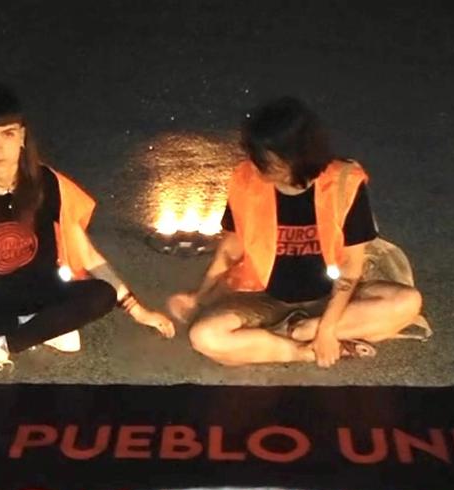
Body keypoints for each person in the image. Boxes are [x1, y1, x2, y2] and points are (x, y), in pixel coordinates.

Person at [0, 83, 174, 374]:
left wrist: (138, 310)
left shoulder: (48, 183)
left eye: (7, 134)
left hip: (47, 294)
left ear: (22, 136)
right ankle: (41, 330)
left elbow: (86, 253)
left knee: (101, 295)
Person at [167, 96, 425, 368]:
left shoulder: (344, 182)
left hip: (334, 296)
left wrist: (326, 327)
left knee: (407, 302)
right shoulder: (246, 180)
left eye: (266, 158)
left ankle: (304, 332)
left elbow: (351, 265)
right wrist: (200, 295)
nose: (255, 163)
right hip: (265, 297)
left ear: (296, 156)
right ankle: (303, 351)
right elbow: (231, 250)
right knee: (205, 337)